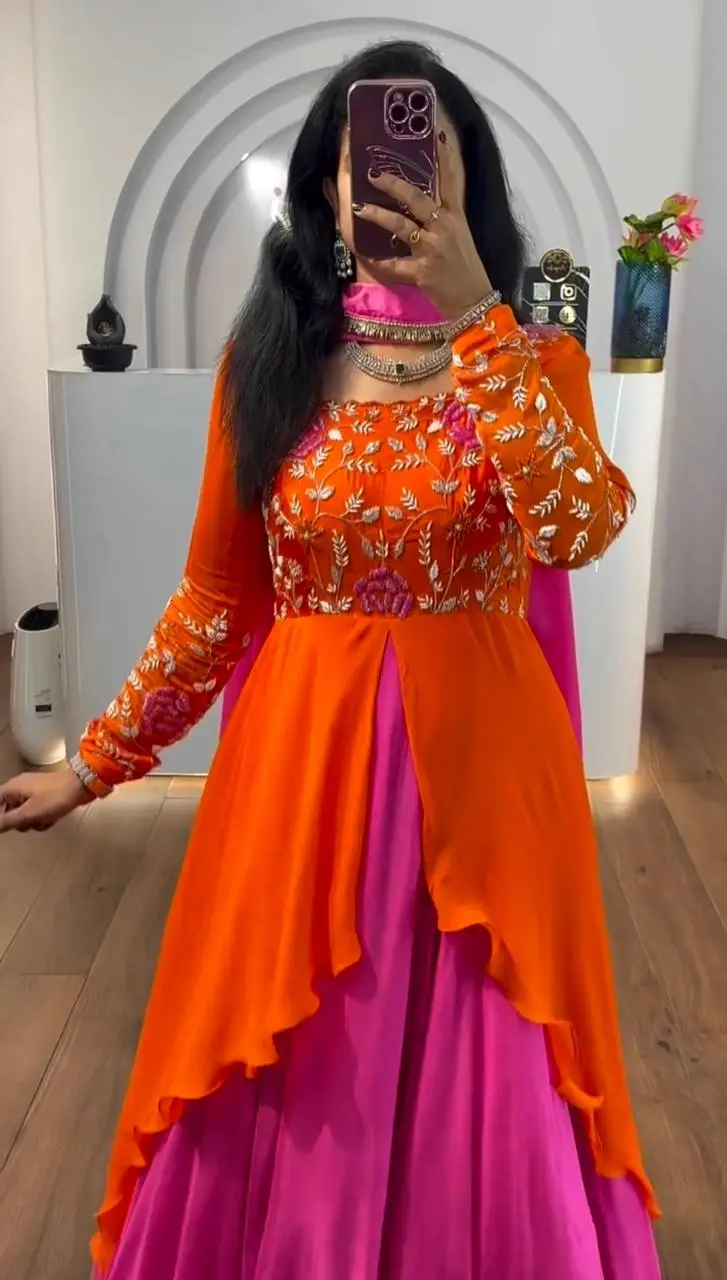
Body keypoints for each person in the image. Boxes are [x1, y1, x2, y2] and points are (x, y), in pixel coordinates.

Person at [0, 39, 661, 1280]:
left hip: (487, 793)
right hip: (301, 790)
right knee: (307, 1069)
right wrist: (92, 765)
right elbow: (215, 603)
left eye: (430, 156)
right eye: (374, 161)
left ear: (468, 183)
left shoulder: (536, 362)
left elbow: (578, 528)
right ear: (326, 188)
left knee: (488, 1070)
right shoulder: (271, 366)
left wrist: (480, 316)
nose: (400, 181)